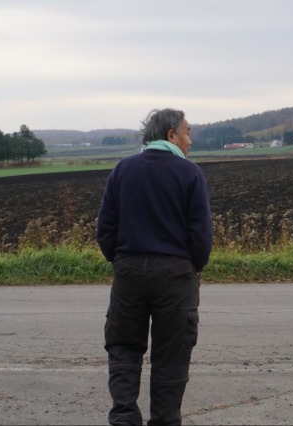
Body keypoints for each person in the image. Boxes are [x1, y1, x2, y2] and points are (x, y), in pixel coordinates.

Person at [96, 108, 213, 426]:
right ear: (171, 135)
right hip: (176, 275)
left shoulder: (123, 170)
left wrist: (122, 260)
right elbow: (200, 235)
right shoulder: (189, 174)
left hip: (129, 272)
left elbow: (105, 230)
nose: (191, 141)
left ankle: (124, 418)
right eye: (188, 133)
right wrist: (193, 266)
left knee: (123, 348)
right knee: (171, 354)